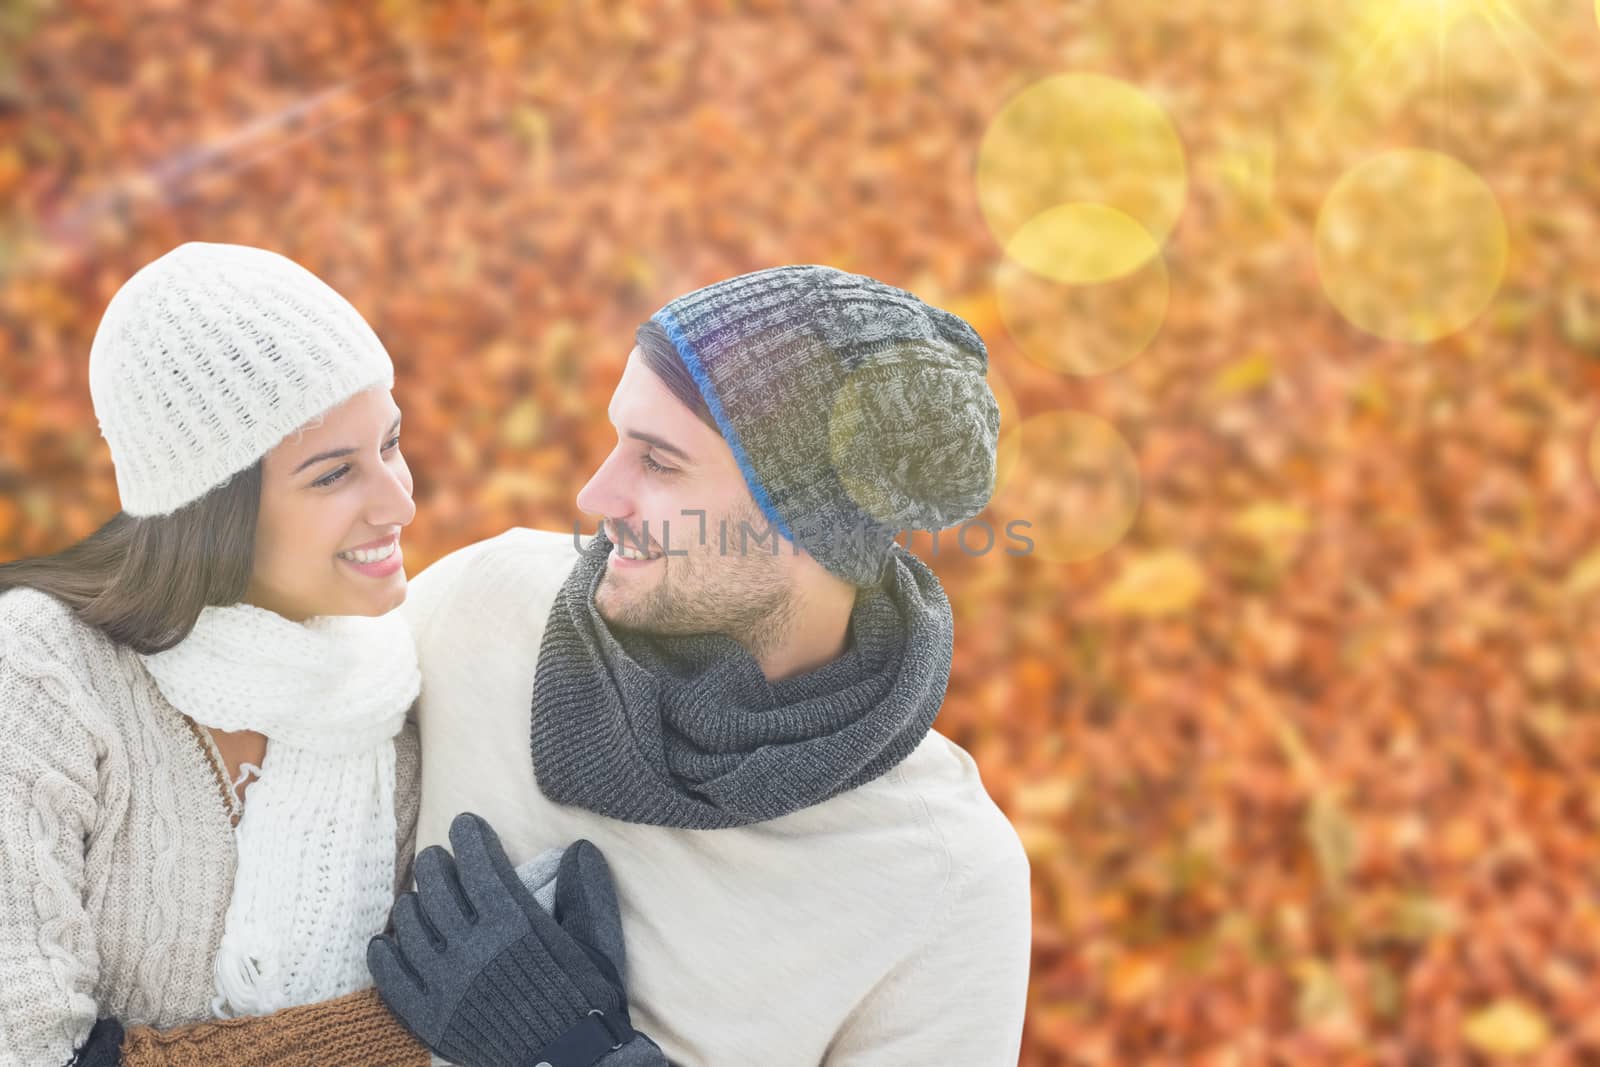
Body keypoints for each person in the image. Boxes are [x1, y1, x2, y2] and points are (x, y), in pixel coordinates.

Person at [380, 264, 1033, 1066]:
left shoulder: (946, 879)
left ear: (803, 524)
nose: (597, 492)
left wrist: (576, 1054)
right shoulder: (482, 610)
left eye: (658, 462)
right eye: (617, 440)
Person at [0, 242, 434, 1066]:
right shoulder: (44, 671)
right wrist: (380, 1037)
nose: (400, 499)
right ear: (212, 512)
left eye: (391, 442)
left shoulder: (388, 697)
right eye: (334, 474)